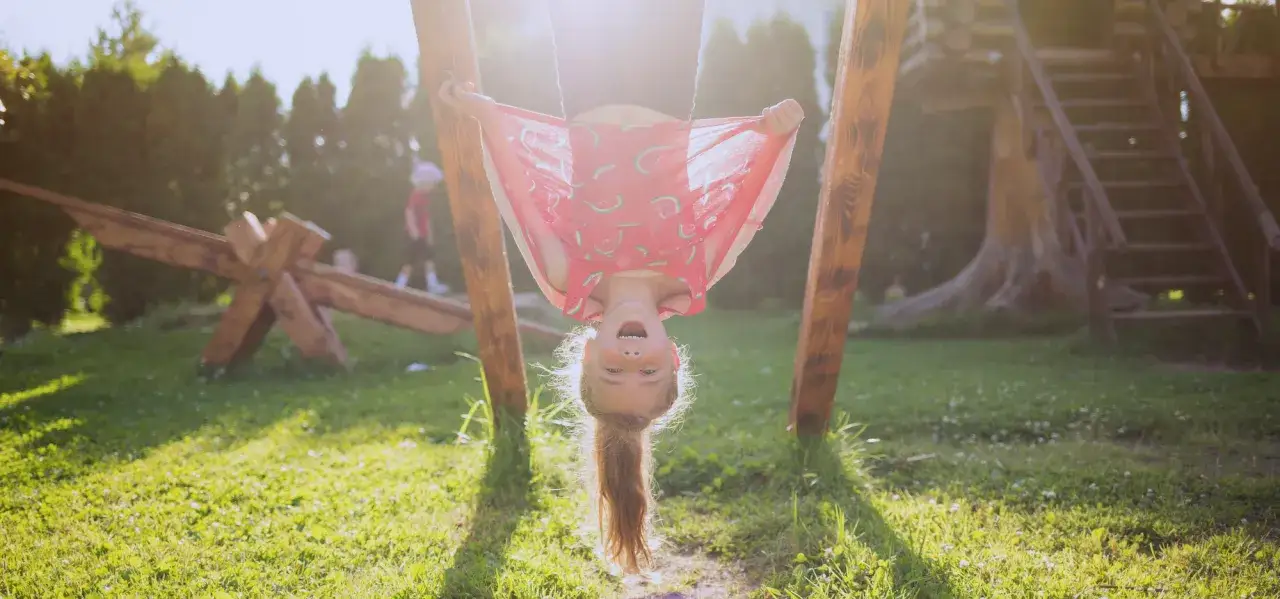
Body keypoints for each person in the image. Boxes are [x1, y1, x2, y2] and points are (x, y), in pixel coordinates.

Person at [437, 0, 805, 576]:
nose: (631, 357)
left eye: (613, 371)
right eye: (648, 371)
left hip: (588, 82)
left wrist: (488, 119)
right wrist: (775, 136)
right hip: (666, 90)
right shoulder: (693, 273)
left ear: (587, 354)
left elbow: (524, 201)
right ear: (673, 358)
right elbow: (743, 199)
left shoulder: (570, 278)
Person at [396, 161, 449, 294]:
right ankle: (399, 286)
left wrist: (429, 234)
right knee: (410, 261)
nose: (432, 187)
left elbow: (426, 217)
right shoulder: (416, 195)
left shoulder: (426, 198)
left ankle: (432, 284)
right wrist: (414, 232)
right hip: (414, 234)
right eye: (430, 184)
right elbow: (409, 212)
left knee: (428, 259)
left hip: (423, 234)